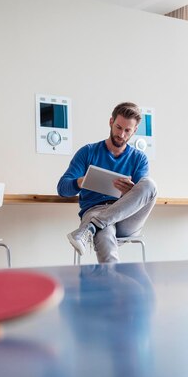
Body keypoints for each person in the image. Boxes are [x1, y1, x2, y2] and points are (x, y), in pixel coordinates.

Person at [57, 102, 157, 263]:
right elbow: (62, 189)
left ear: (135, 130)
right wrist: (81, 182)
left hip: (127, 216)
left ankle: (92, 227)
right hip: (95, 210)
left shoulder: (139, 158)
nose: (122, 134)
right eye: (118, 127)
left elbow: (144, 193)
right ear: (111, 122)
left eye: (127, 130)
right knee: (105, 237)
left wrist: (130, 191)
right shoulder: (88, 152)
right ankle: (113, 285)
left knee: (150, 185)